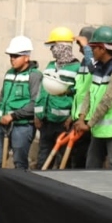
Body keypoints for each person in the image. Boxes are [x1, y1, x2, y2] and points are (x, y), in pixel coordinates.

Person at [0, 36, 42, 205]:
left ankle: (20, 197)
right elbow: (3, 98)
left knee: (19, 163)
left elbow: (35, 103)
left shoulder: (35, 76)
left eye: (16, 56)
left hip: (22, 126)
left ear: (27, 57)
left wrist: (13, 115)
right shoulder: (9, 73)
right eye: (10, 56)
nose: (12, 59)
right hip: (3, 125)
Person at [75, 26, 112, 169]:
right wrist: (81, 118)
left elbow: (106, 101)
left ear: (102, 49)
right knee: (91, 166)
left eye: (93, 48)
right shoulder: (100, 67)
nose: (90, 51)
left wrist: (88, 125)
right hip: (100, 127)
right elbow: (90, 94)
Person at [35, 27, 81, 169]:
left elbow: (79, 95)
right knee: (43, 159)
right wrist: (37, 115)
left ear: (62, 47)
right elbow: (42, 92)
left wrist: (71, 118)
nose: (51, 50)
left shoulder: (77, 68)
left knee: (63, 160)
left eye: (53, 46)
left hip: (63, 124)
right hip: (46, 122)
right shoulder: (50, 66)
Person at [65, 25, 96, 170]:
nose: (79, 49)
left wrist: (87, 47)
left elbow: (95, 70)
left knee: (84, 159)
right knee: (75, 158)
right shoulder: (84, 62)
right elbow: (80, 92)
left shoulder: (96, 63)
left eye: (81, 45)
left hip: (89, 119)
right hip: (79, 118)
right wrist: (73, 115)